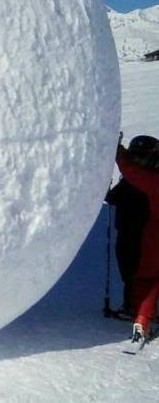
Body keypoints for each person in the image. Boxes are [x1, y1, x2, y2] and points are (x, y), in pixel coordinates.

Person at [114, 133, 159, 343]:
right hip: (149, 237)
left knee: (145, 278)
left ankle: (140, 316)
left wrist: (118, 153)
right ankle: (142, 315)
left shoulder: (153, 181)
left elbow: (134, 173)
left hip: (151, 240)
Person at [105, 136, 154, 315]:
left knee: (133, 272)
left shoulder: (137, 179)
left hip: (134, 233)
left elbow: (112, 198)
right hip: (139, 232)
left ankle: (135, 307)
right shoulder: (144, 177)